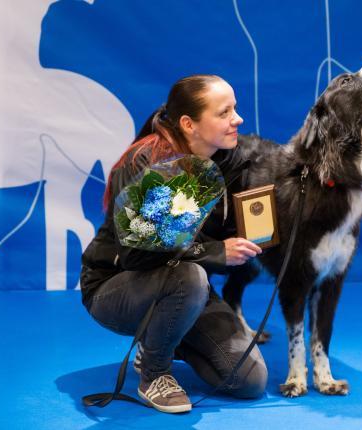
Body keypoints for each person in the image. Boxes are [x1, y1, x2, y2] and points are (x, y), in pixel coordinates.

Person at [80, 74, 267, 414]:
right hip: (118, 285)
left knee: (249, 380)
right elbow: (138, 256)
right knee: (190, 276)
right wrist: (216, 253)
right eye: (224, 112)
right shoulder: (146, 162)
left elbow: (234, 223)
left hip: (185, 285)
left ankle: (165, 336)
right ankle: (154, 374)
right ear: (188, 124)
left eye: (235, 109)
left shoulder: (229, 160)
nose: (237, 119)